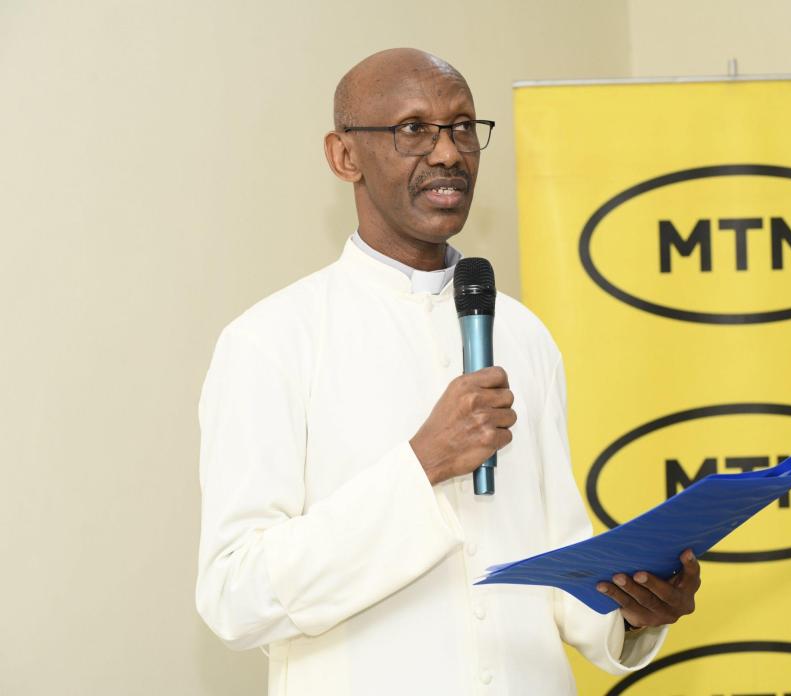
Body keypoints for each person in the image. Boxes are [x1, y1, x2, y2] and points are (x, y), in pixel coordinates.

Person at [195, 48, 701, 696]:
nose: (448, 153)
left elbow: (552, 570)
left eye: (463, 127)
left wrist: (632, 607)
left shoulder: (524, 334)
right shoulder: (272, 341)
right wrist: (421, 464)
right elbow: (236, 595)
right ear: (344, 155)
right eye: (414, 129)